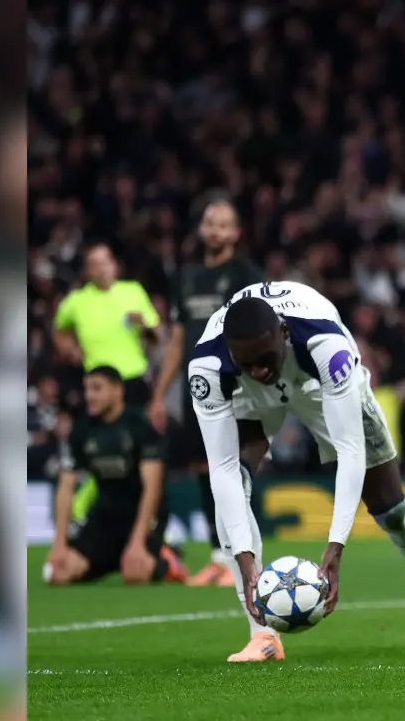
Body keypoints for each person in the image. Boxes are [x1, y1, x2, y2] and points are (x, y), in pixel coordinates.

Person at [188, 282, 405, 662]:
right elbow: (220, 470)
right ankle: (262, 635)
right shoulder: (208, 367)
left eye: (264, 358)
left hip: (319, 385)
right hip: (247, 396)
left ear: (284, 333)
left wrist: (336, 545)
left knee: (392, 512)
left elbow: (350, 450)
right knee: (234, 486)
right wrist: (245, 559)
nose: (259, 369)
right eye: (246, 362)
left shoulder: (327, 347)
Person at [148, 195, 266, 588]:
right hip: (197, 387)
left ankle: (244, 557)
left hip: (236, 384)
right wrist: (160, 394)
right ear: (201, 229)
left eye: (223, 224)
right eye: (210, 223)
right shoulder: (187, 277)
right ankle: (219, 558)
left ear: (236, 232)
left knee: (233, 469)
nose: (215, 231)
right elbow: (177, 340)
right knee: (204, 469)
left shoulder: (246, 274)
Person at [44, 366, 187, 586]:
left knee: (135, 575)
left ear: (118, 391)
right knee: (58, 574)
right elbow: (66, 486)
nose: (89, 396)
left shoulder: (140, 426)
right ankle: (117, 559)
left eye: (97, 388)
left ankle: (168, 560)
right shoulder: (82, 429)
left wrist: (137, 542)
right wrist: (59, 544)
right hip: (105, 516)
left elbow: (153, 488)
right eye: (86, 389)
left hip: (142, 517)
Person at [52, 242, 162, 407]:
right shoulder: (76, 301)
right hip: (98, 381)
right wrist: (71, 350)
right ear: (87, 271)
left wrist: (143, 324)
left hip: (133, 376)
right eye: (95, 264)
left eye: (105, 262)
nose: (102, 268)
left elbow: (157, 333)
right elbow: (58, 330)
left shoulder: (133, 291)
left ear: (114, 264)